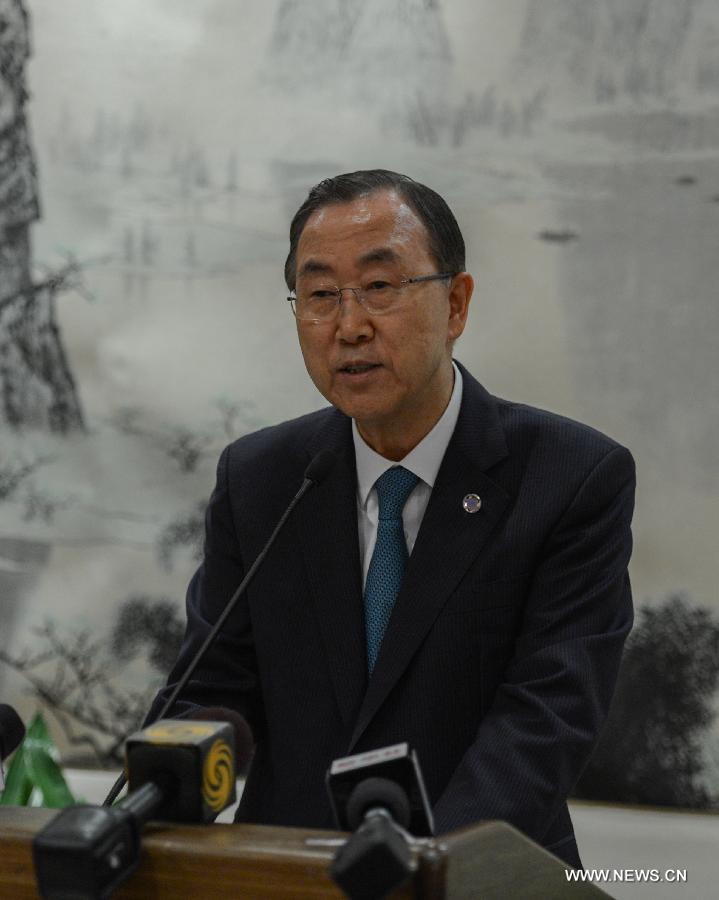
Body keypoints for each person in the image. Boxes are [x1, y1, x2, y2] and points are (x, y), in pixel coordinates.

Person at [149, 169, 635, 868]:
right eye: (320, 295)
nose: (348, 326)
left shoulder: (569, 478)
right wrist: (137, 813)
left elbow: (545, 721)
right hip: (286, 875)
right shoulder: (262, 478)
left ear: (456, 304)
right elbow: (212, 689)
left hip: (476, 876)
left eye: (380, 287)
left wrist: (413, 867)